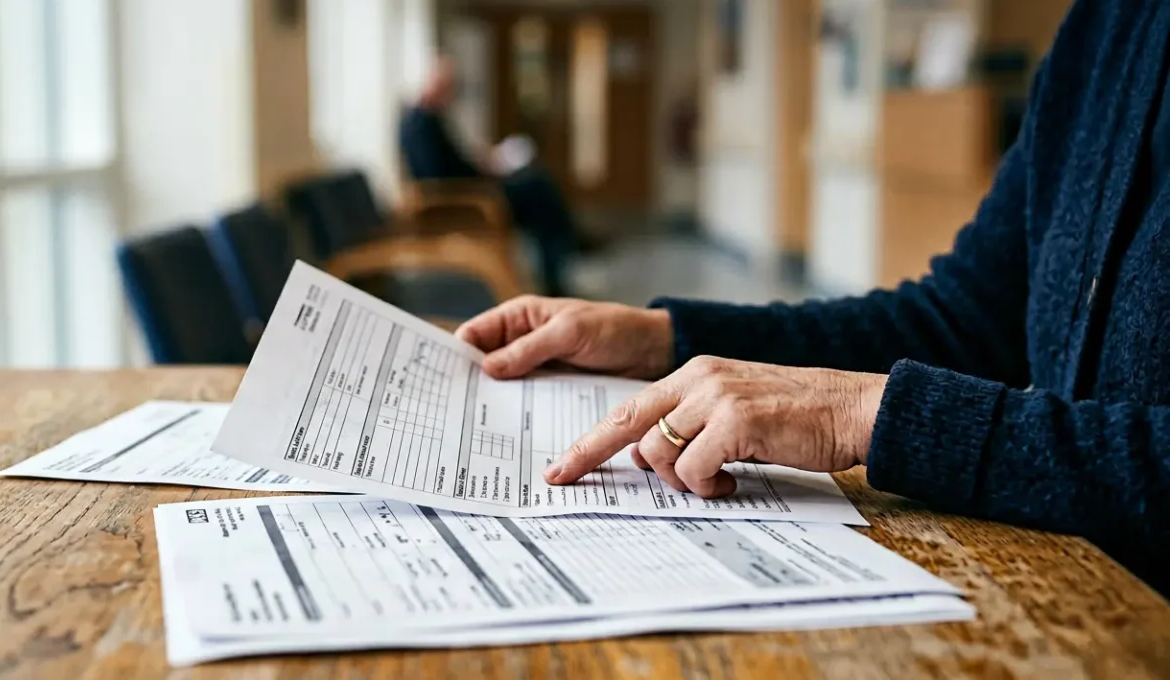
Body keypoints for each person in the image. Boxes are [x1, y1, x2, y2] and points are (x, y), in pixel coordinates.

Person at [456, 0, 1170, 596]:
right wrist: (661, 338)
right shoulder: (1107, 24)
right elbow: (961, 319)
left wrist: (869, 417)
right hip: (1069, 583)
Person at [399, 57, 581, 297]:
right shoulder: (420, 123)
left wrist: (481, 163)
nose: (451, 92)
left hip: (473, 190)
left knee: (537, 184)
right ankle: (565, 249)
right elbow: (438, 176)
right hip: (463, 200)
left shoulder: (429, 117)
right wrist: (482, 170)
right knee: (538, 188)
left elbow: (451, 165)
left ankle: (563, 248)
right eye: (446, 85)